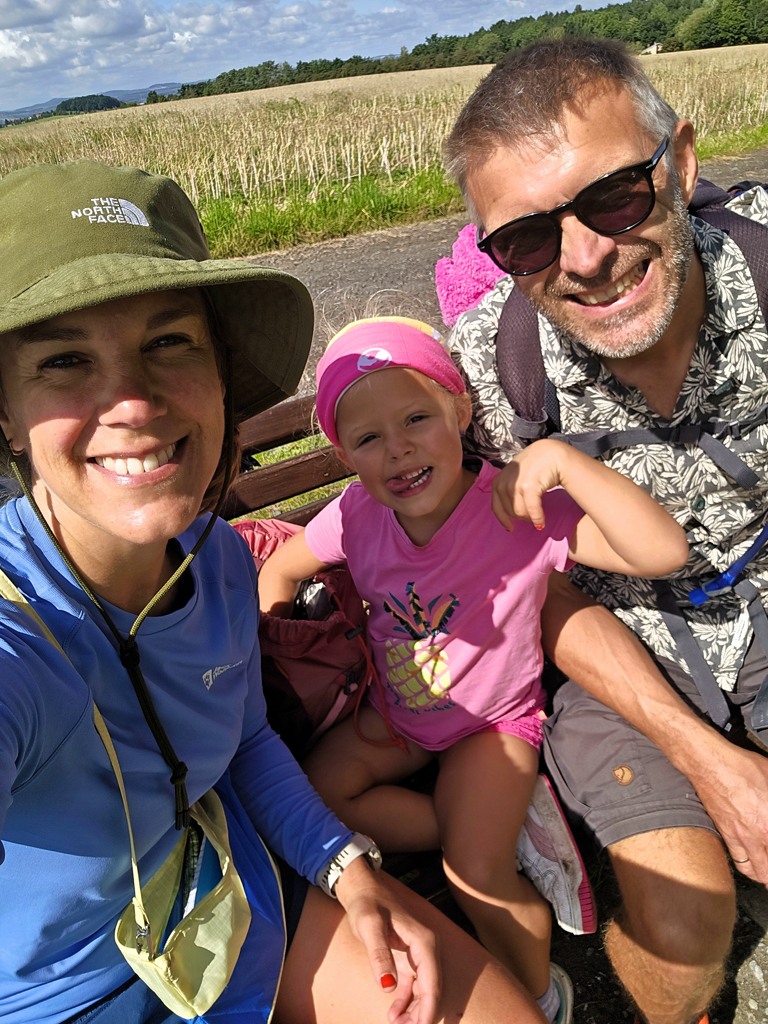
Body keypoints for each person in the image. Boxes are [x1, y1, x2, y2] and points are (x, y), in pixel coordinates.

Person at [0, 160, 551, 1024]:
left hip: (230, 899)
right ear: (6, 412)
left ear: (221, 371)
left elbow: (244, 736)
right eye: (66, 360)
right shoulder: (16, 636)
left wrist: (343, 866)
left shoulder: (218, 562)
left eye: (169, 342)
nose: (133, 403)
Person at [442, 36, 768, 1024]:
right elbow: (536, 587)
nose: (584, 257)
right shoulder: (493, 371)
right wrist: (708, 756)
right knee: (681, 929)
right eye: (528, 241)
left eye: (618, 196)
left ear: (681, 163)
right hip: (615, 654)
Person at [257, 315, 688, 1024]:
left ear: (460, 408)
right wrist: (276, 628)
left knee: (474, 876)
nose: (397, 450)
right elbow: (285, 563)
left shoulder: (516, 511)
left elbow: (662, 552)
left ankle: (539, 994)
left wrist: (567, 465)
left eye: (417, 417)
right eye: (368, 439)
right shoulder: (357, 514)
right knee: (316, 800)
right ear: (344, 456)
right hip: (396, 716)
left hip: (490, 727)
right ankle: (506, 824)